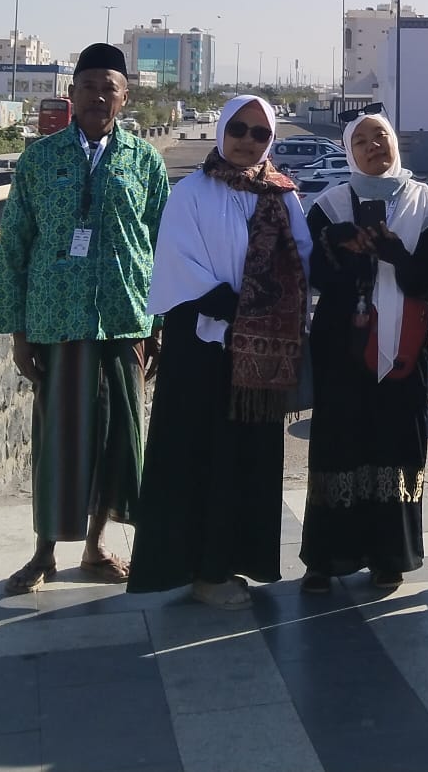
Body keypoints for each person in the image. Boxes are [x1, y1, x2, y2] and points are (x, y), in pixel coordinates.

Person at [0, 43, 169, 595]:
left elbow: (163, 245)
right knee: (58, 440)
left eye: (108, 87)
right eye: (88, 86)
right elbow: (14, 247)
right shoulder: (40, 160)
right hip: (57, 320)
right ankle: (44, 552)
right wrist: (18, 332)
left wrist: (159, 323)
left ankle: (96, 547)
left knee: (117, 441)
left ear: (124, 97)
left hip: (124, 318)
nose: (98, 96)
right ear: (71, 94)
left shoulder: (145, 161)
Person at [128, 96, 311, 608]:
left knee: (246, 461)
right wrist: (226, 300)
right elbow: (175, 257)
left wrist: (270, 301)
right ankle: (203, 570)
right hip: (203, 347)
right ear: (222, 130)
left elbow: (302, 257)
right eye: (239, 129)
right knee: (201, 457)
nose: (248, 141)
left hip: (259, 358)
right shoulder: (191, 191)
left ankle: (235, 561)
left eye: (260, 133)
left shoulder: (281, 195)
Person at [300, 111, 428, 593]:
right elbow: (315, 275)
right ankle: (326, 557)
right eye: (360, 140)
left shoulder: (426, 203)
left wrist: (396, 254)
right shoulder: (329, 204)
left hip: (404, 347)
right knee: (339, 442)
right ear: (349, 152)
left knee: (395, 443)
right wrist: (342, 246)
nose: (372, 145)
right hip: (343, 346)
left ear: (395, 142)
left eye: (380, 135)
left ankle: (389, 555)